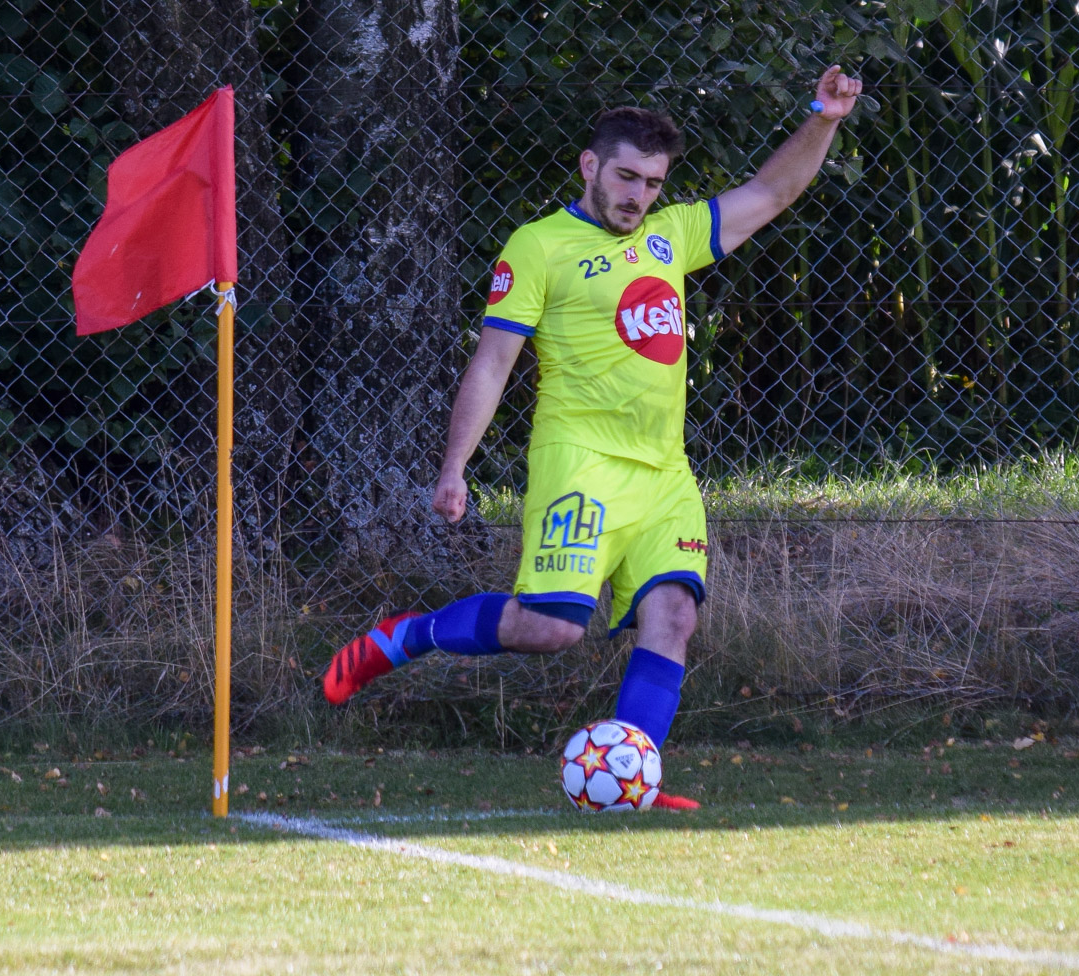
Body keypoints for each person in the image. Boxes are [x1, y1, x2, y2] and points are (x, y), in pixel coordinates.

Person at [321, 65, 863, 808]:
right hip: (580, 464)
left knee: (674, 616)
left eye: (652, 183)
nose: (638, 196)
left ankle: (634, 774)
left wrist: (824, 118)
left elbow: (771, 192)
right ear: (590, 166)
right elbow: (493, 361)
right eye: (626, 177)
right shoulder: (539, 246)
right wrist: (455, 466)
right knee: (551, 629)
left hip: (663, 472)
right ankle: (403, 638)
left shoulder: (672, 237)